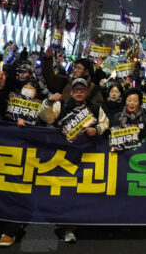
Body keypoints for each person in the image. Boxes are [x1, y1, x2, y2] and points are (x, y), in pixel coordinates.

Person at [37, 78, 109, 244]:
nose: (78, 92)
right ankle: (59, 224)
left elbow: (105, 123)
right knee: (61, 191)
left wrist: (97, 129)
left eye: (82, 89)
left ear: (87, 92)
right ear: (70, 91)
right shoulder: (61, 105)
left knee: (77, 193)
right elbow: (46, 116)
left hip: (85, 157)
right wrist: (48, 102)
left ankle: (71, 227)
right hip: (62, 157)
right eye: (75, 89)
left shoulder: (95, 107)